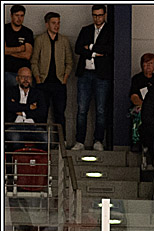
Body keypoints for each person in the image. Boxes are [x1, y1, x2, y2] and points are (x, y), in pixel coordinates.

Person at [70, 5, 113, 150]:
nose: (97, 18)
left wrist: (89, 48)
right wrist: (95, 52)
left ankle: (98, 140)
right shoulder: (86, 29)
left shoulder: (110, 30)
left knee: (101, 109)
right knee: (82, 109)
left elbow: (109, 49)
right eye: (95, 15)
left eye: (100, 15)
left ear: (105, 15)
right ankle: (79, 141)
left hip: (102, 75)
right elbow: (77, 48)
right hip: (85, 73)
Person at [30, 12, 72, 143]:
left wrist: (64, 78)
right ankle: (41, 141)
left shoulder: (64, 40)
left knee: (60, 113)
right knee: (42, 113)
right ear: (47, 24)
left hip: (59, 82)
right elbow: (34, 61)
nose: (57, 26)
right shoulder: (40, 39)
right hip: (43, 82)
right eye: (54, 23)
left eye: (58, 23)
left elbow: (69, 62)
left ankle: (61, 141)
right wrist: (38, 78)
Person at [5, 4, 33, 93]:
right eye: (17, 15)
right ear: (11, 15)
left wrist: (9, 51)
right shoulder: (4, 30)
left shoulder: (27, 32)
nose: (19, 18)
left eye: (21, 16)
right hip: (7, 70)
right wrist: (20, 48)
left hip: (24, 74)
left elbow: (27, 55)